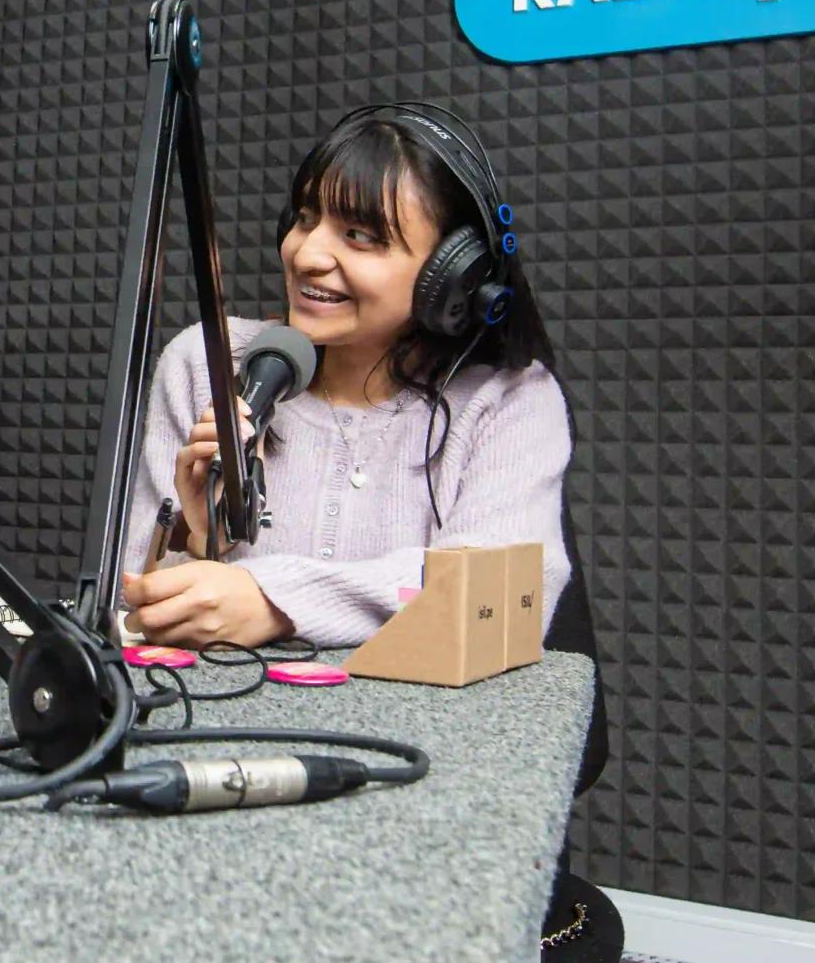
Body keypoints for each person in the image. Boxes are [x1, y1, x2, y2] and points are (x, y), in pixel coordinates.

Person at [119, 103, 570, 649]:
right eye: (306, 219)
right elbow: (131, 603)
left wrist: (275, 601)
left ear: (453, 277)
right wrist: (199, 538)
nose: (306, 254)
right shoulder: (207, 362)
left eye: (359, 235)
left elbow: (502, 595)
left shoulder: (508, 401)